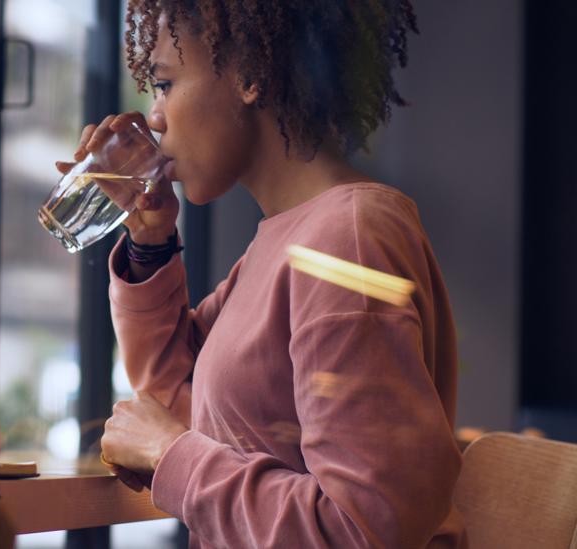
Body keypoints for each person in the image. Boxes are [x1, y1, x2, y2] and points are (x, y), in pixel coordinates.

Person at [57, 1, 467, 547]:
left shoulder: (346, 239)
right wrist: (150, 242)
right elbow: (183, 401)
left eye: (164, 84)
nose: (153, 117)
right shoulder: (291, 240)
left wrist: (169, 454)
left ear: (249, 75)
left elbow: (361, 528)